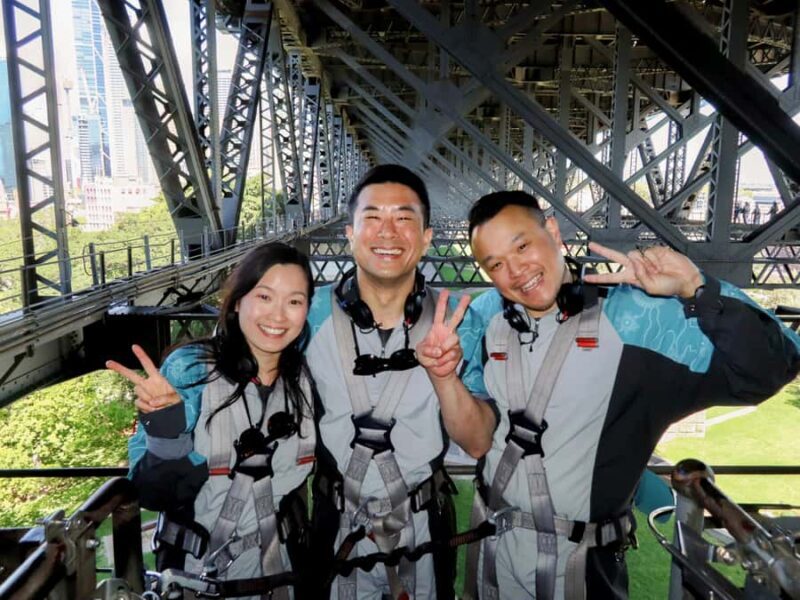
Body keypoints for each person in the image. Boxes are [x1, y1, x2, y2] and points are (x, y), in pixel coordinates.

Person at [462, 190, 800, 600]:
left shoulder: (640, 320)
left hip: (580, 570)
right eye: (495, 264)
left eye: (522, 246)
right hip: (490, 557)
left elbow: (771, 367)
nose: (515, 271)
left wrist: (697, 289)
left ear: (552, 231)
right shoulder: (486, 318)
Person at [307, 164, 497, 599]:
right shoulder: (305, 314)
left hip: (424, 529)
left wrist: (446, 377)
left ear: (427, 237)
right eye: (372, 217)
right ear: (350, 234)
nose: (388, 232)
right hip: (333, 526)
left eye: (404, 218)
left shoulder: (460, 321)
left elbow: (478, 442)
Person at [107, 242, 318, 599]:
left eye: (294, 301)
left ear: (306, 310)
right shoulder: (190, 370)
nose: (278, 315)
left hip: (278, 574)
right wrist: (166, 427)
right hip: (195, 577)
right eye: (264, 297)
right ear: (237, 302)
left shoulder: (302, 382)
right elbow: (153, 493)